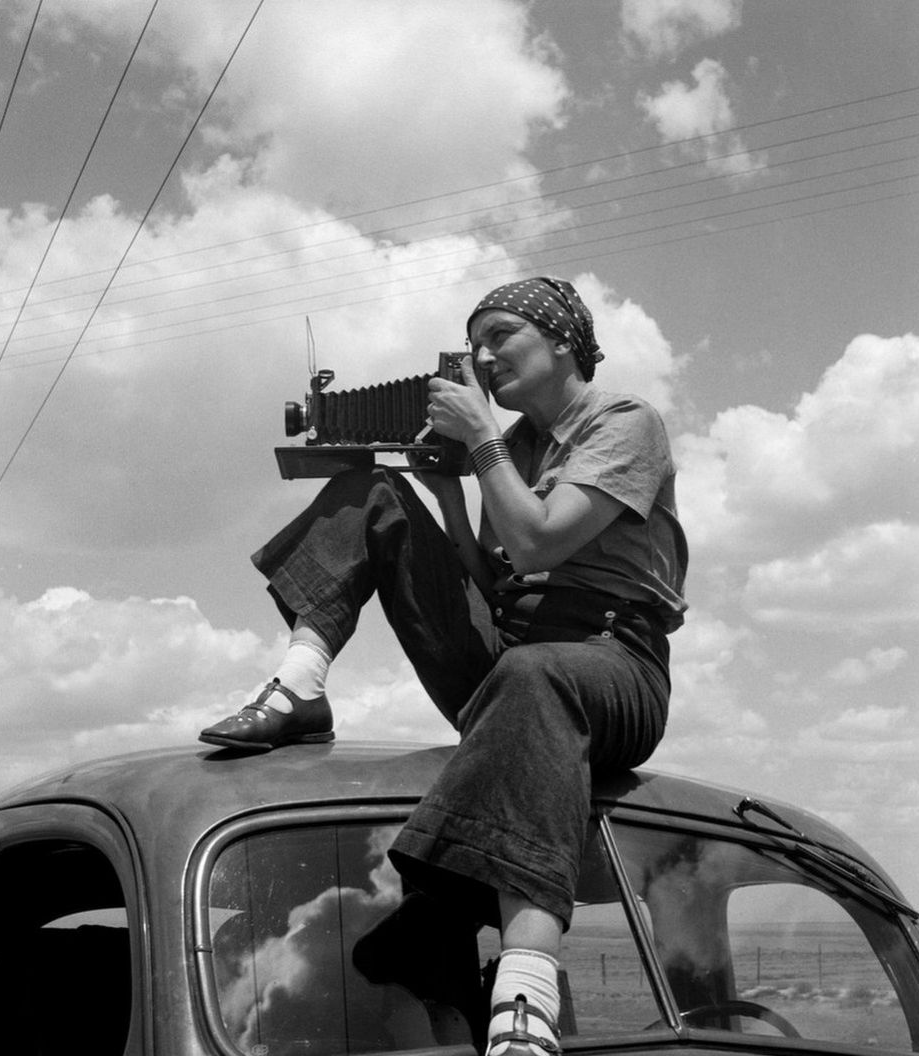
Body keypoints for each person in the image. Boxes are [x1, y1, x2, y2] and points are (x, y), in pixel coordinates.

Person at [200, 277, 687, 1056]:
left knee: (538, 680)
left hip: (608, 663)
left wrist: (482, 444)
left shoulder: (625, 423)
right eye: (476, 344)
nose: (485, 357)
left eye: (501, 336)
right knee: (376, 491)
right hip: (513, 655)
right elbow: (498, 575)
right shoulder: (518, 448)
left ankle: (521, 997)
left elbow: (537, 542)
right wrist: (446, 494)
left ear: (561, 340)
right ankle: (301, 680)